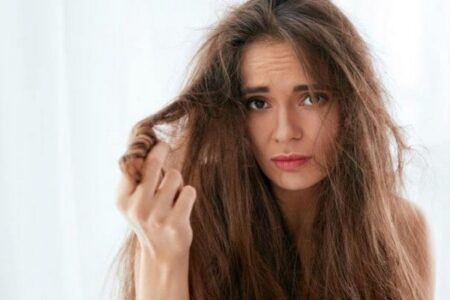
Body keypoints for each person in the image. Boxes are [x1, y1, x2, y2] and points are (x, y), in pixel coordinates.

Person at [112, 0, 435, 299]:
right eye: (258, 103)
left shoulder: (399, 228)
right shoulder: (182, 225)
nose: (285, 132)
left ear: (351, 106)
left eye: (311, 98)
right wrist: (165, 256)